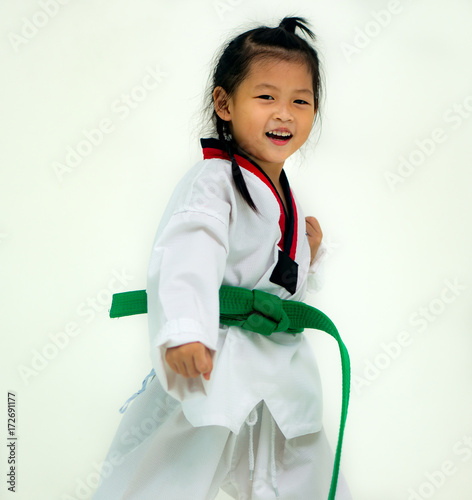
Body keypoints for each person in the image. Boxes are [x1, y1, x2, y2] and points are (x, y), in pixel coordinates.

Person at [92, 16, 352, 500]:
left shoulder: (277, 189)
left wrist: (304, 254)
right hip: (218, 352)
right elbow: (189, 257)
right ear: (224, 103)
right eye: (266, 96)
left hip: (277, 359)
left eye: (301, 100)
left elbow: (267, 273)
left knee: (296, 455)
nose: (285, 114)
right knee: (179, 464)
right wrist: (185, 329)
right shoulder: (214, 183)